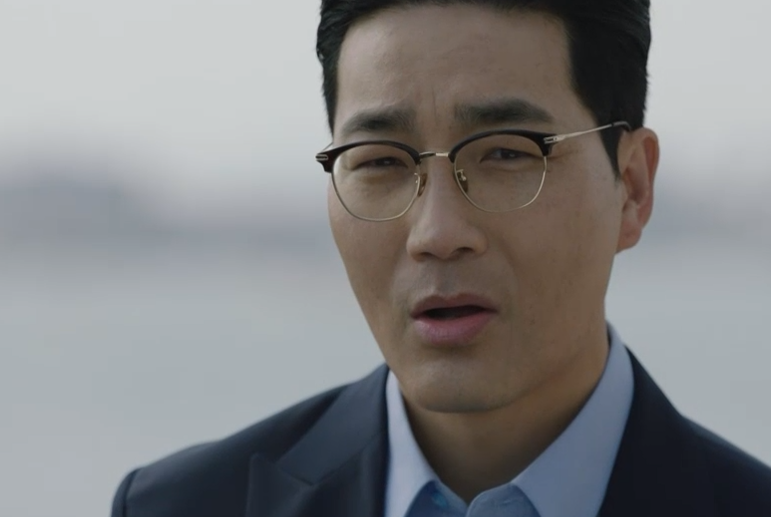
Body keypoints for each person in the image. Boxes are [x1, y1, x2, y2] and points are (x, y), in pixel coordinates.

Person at [111, 1, 771, 516]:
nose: (436, 233)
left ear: (631, 187)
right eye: (379, 162)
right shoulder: (180, 506)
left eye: (506, 152)